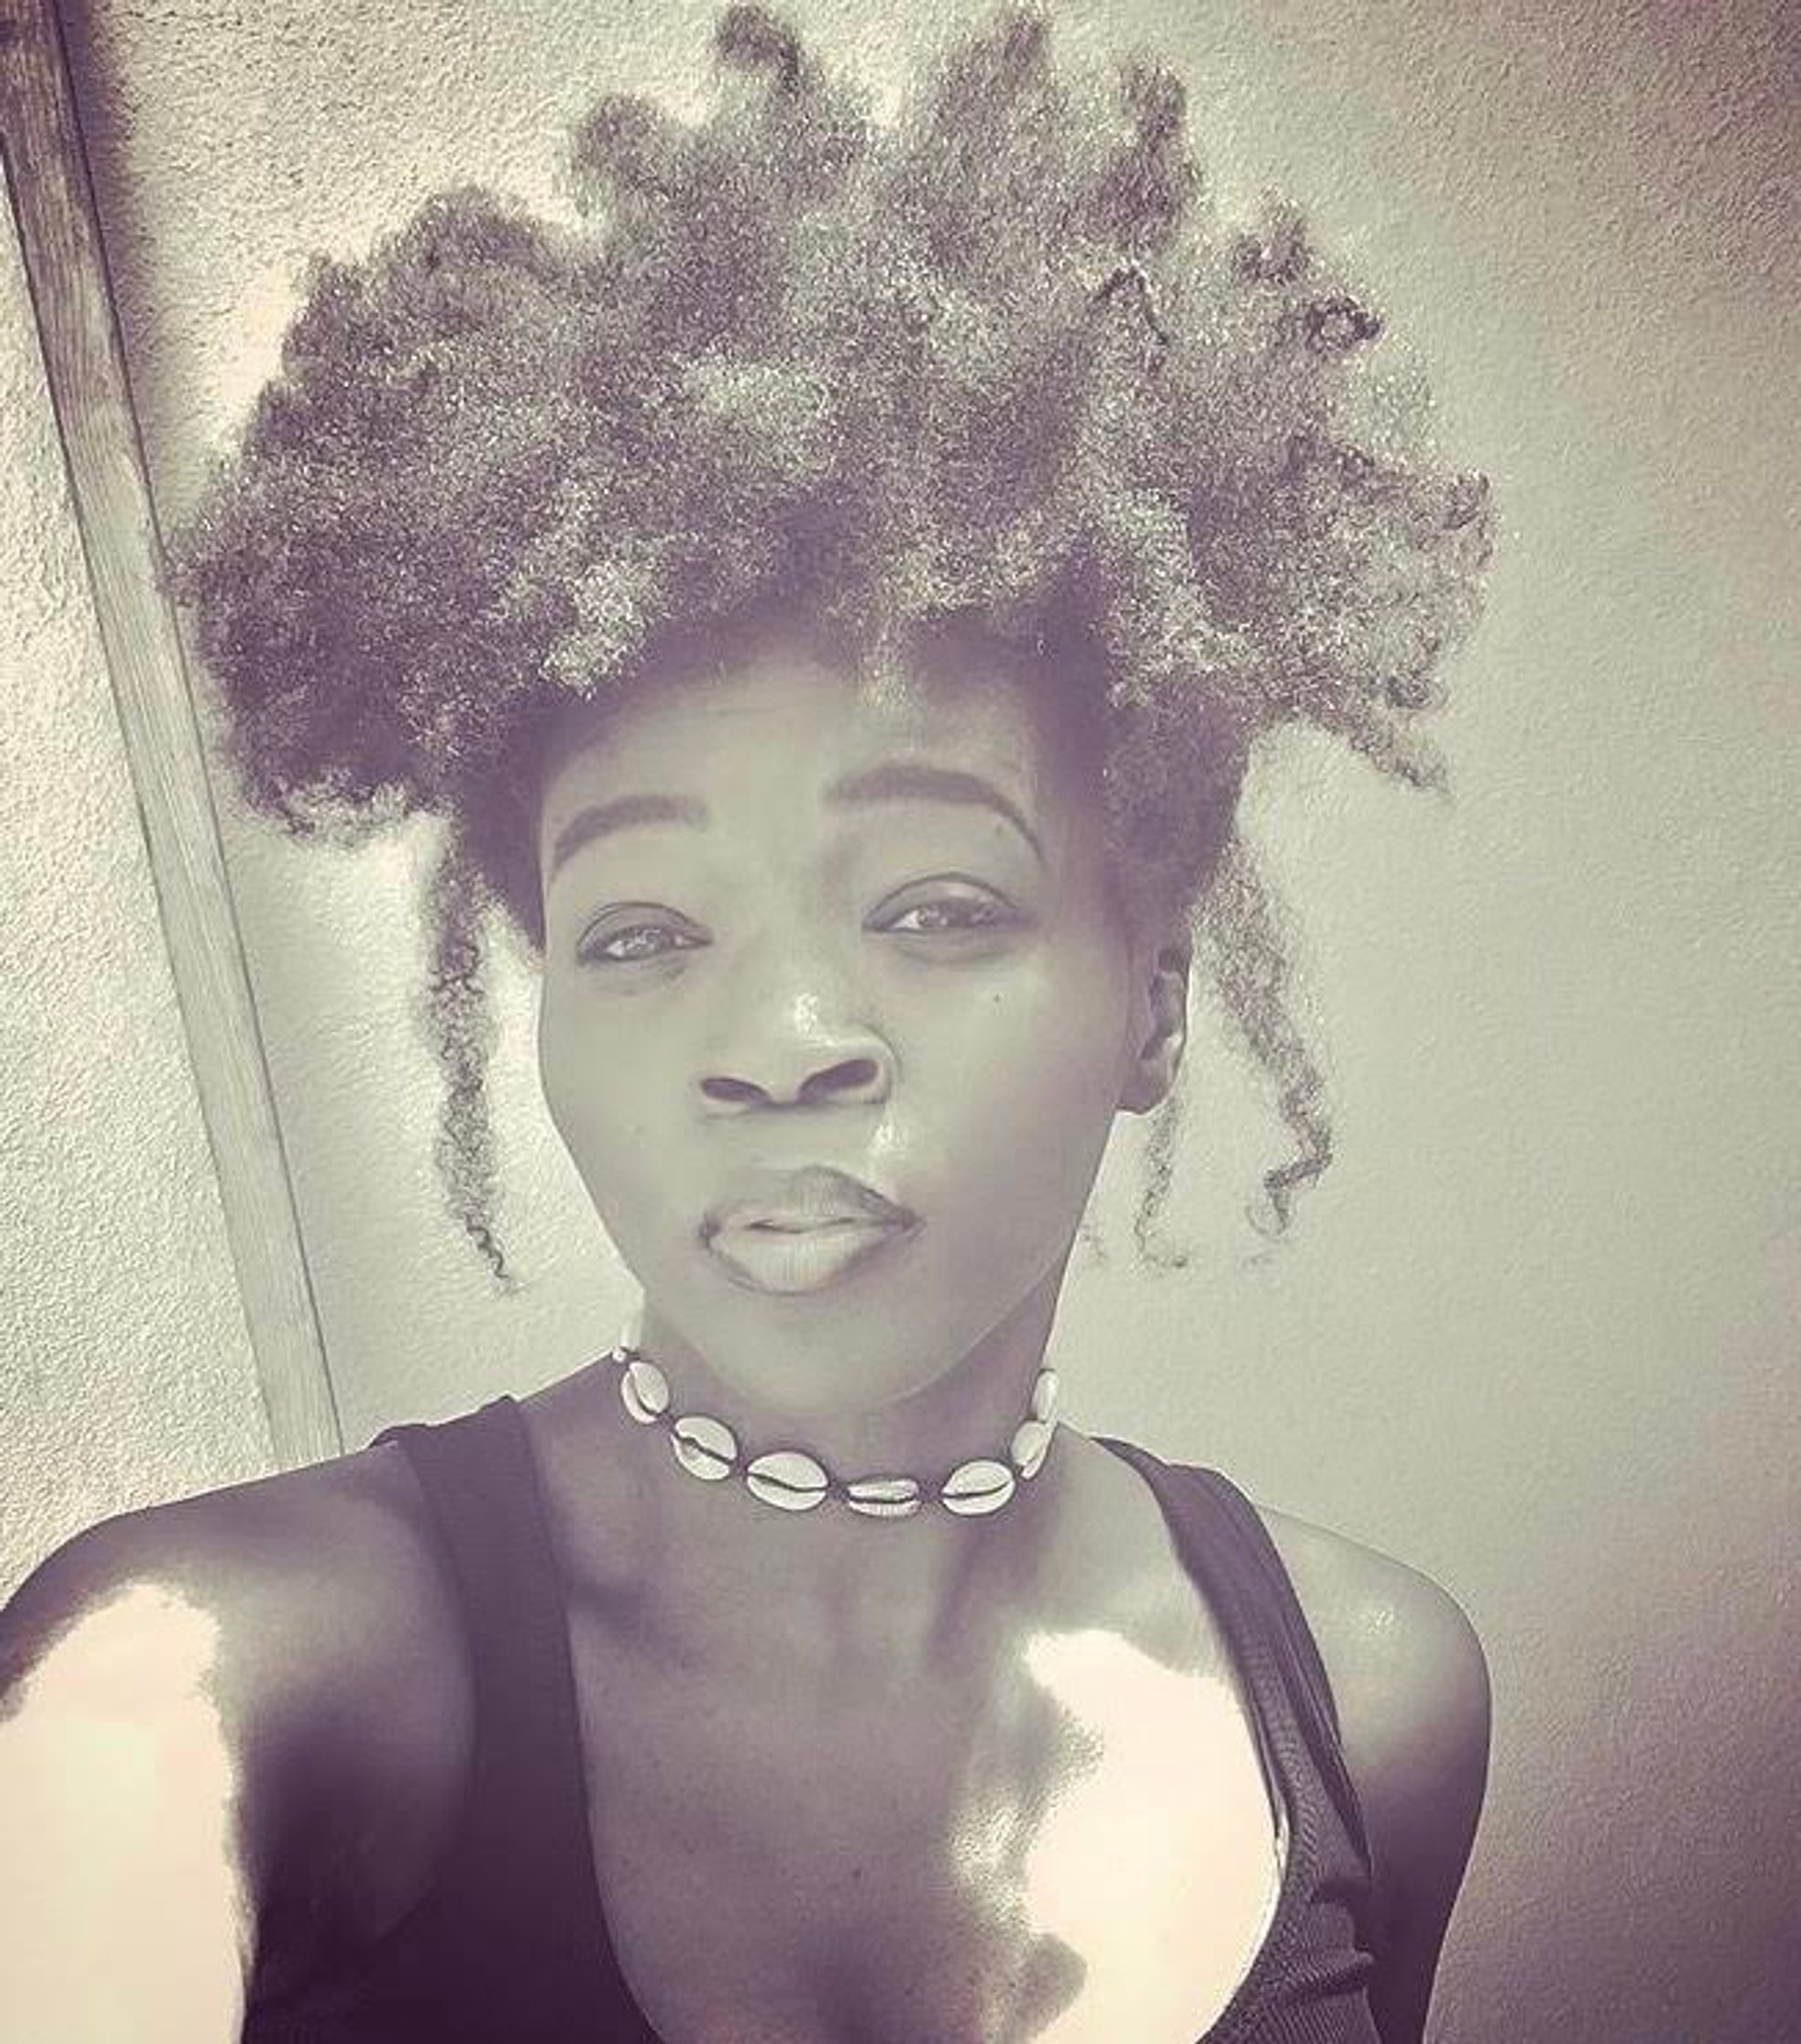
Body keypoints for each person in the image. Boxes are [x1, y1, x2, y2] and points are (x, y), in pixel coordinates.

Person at [0, 7, 1499, 2040]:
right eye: (640, 931)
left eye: (934, 905)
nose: (779, 1039)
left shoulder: (1371, 1695)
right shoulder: (218, 1676)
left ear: (1152, 995)